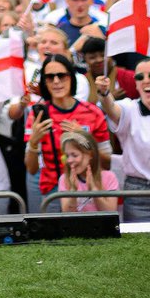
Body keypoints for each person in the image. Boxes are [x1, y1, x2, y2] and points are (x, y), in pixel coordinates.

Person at [24, 53, 111, 208]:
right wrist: (33, 142)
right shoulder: (37, 114)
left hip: (89, 188)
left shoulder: (92, 112)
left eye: (61, 75)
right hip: (54, 193)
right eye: (50, 77)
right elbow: (31, 169)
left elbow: (107, 162)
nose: (56, 81)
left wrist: (84, 140)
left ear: (71, 77)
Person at [95, 64, 150, 223]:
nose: (146, 80)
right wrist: (104, 93)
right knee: (138, 245)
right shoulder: (129, 108)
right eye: (140, 77)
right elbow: (112, 108)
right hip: (138, 192)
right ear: (136, 83)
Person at [57, 128, 119, 213]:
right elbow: (67, 213)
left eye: (74, 155)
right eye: (67, 156)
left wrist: (93, 190)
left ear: (90, 155)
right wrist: (73, 192)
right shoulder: (64, 179)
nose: (69, 160)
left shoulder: (109, 177)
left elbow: (111, 212)